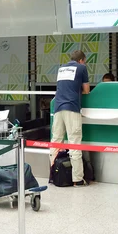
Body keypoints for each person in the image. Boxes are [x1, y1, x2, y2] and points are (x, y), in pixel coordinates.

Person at [51, 50, 90, 187]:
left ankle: (53, 174)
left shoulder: (61, 68)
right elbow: (86, 90)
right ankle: (77, 179)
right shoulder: (82, 68)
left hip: (58, 108)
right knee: (74, 142)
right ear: (81, 60)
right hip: (72, 107)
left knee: (56, 141)